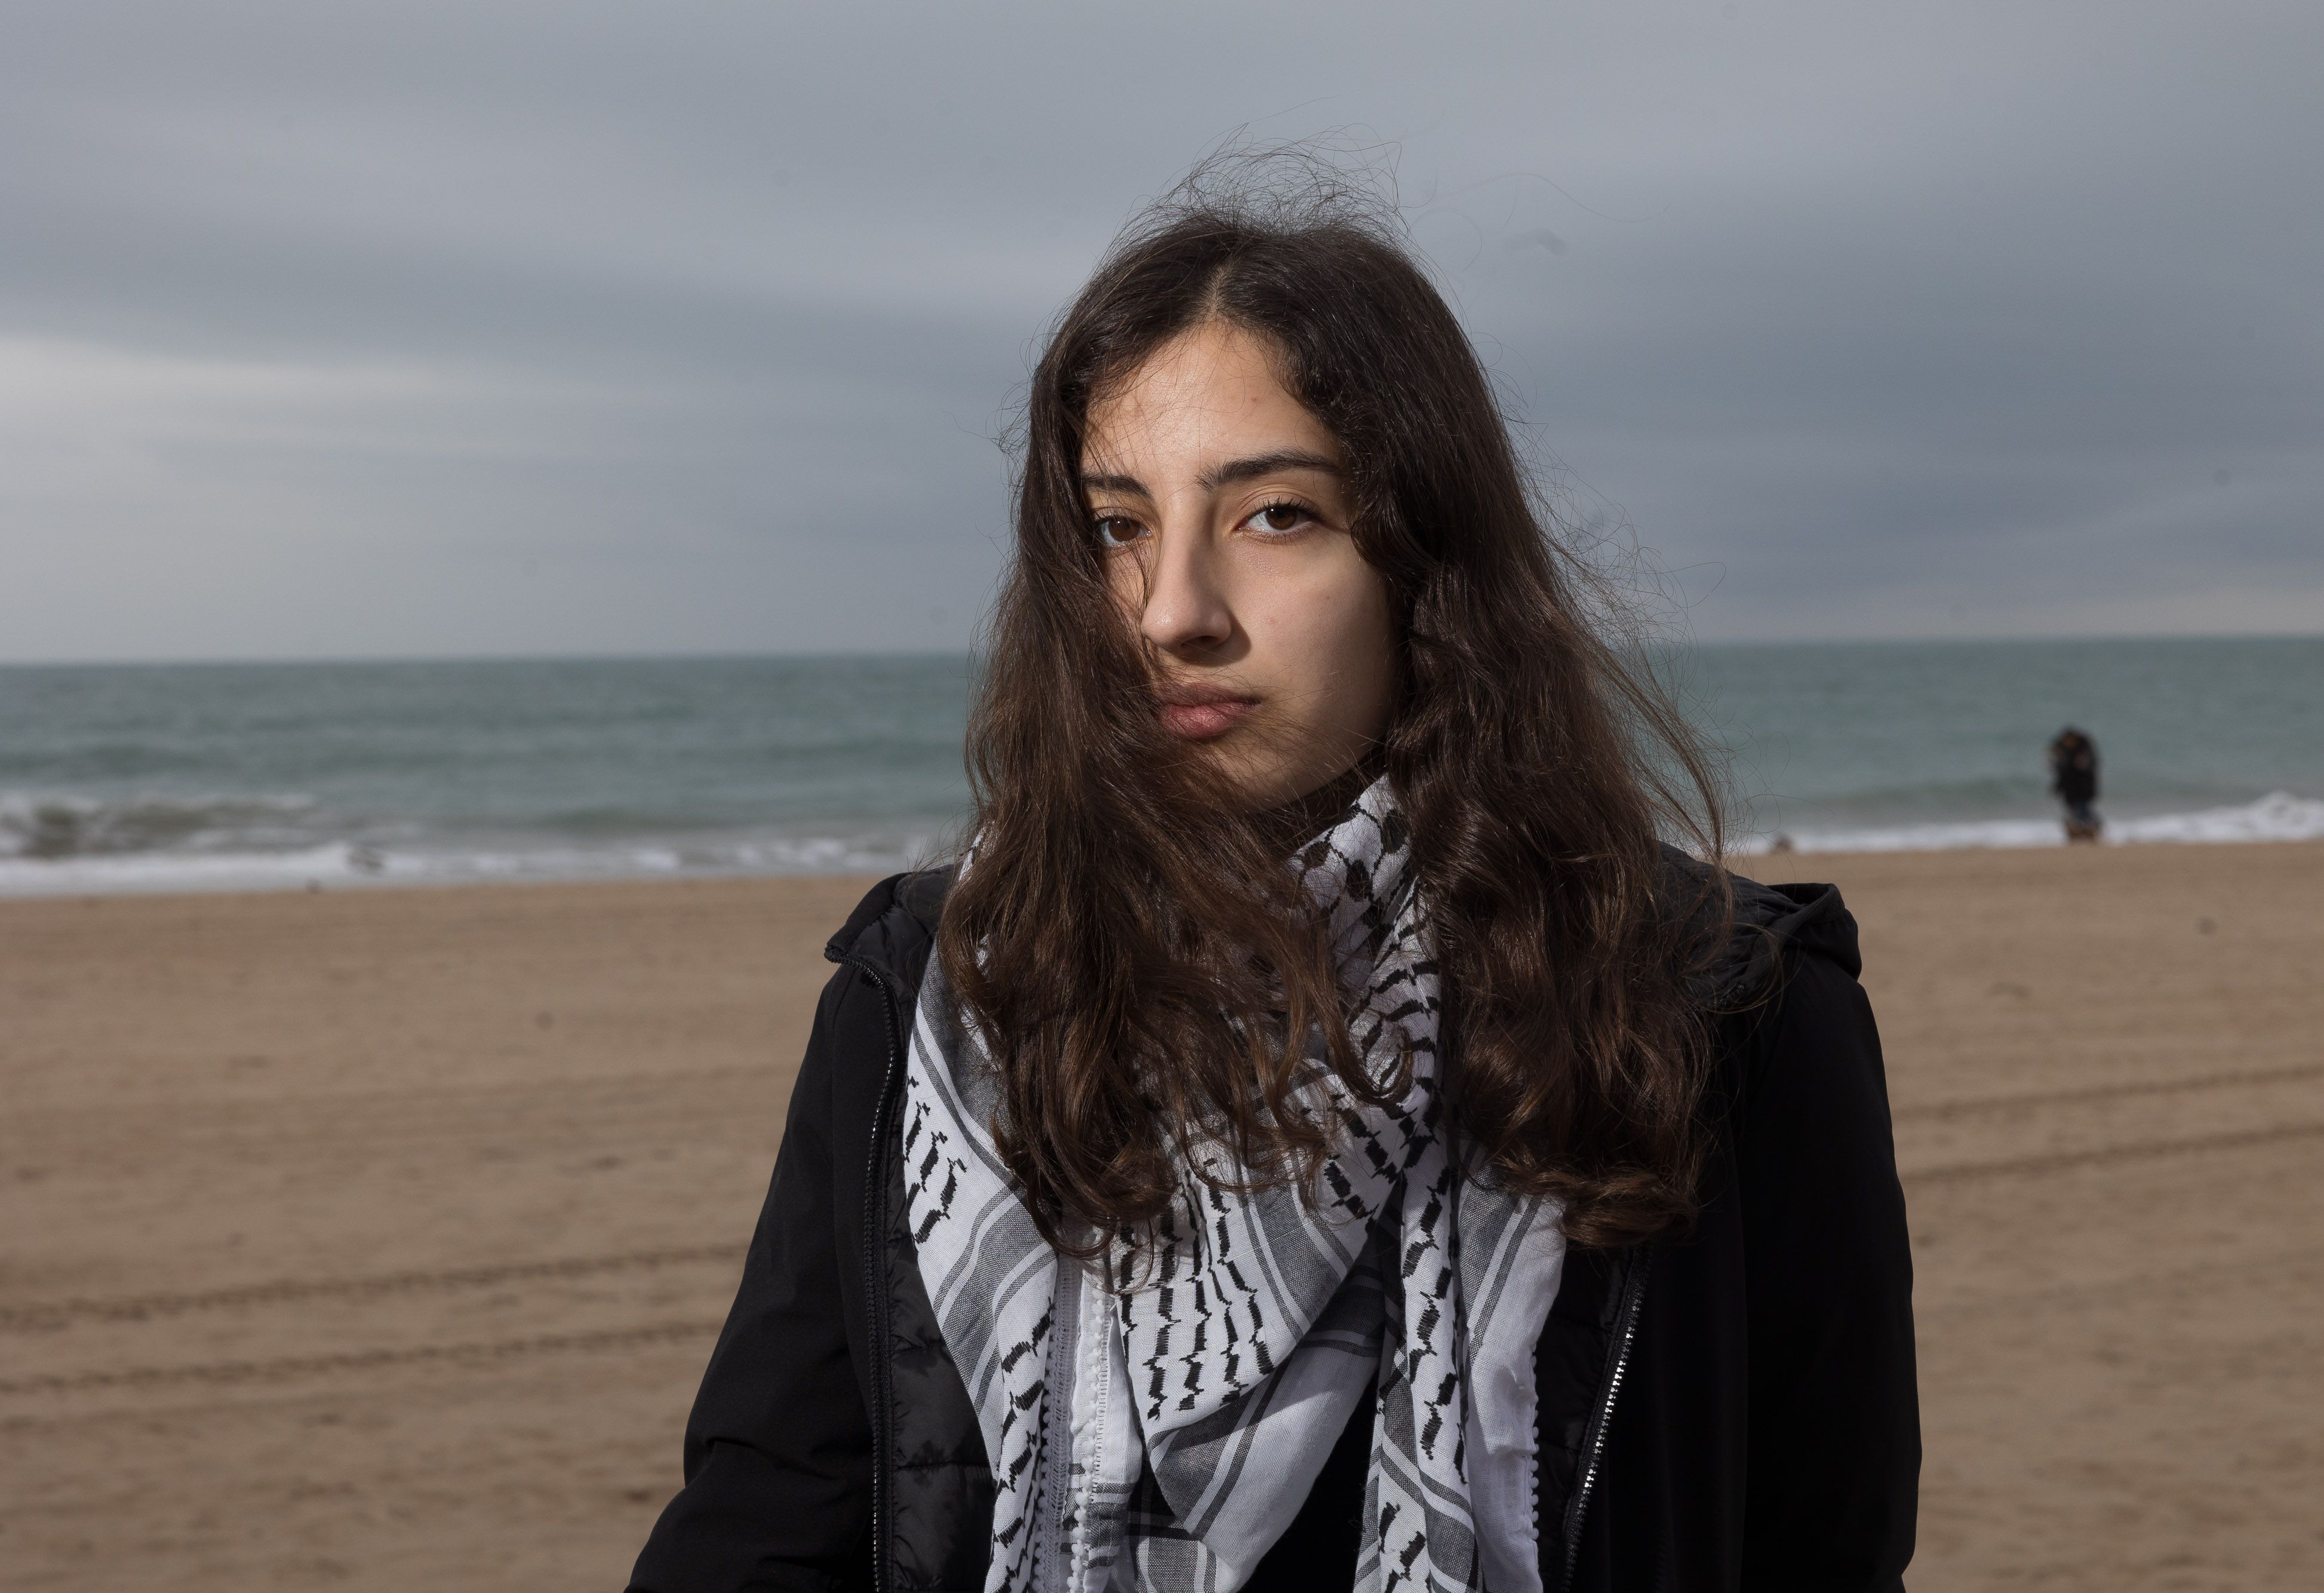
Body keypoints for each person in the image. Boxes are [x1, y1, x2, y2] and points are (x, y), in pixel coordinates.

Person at [626, 169, 1917, 1593]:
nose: (1172, 611)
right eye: (1117, 526)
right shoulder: (944, 992)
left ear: (1423, 557)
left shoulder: (1723, 1014)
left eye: (1275, 515)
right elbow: (767, 1526)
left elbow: (1822, 1550)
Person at [2049, 726, 2102, 842]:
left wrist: (2083, 763)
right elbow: (2060, 773)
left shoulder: (2085, 752)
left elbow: (2090, 768)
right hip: (2070, 790)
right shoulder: (2062, 753)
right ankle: (2082, 831)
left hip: (2084, 789)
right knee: (2076, 811)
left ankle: (2090, 829)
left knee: (2083, 811)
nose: (2068, 743)